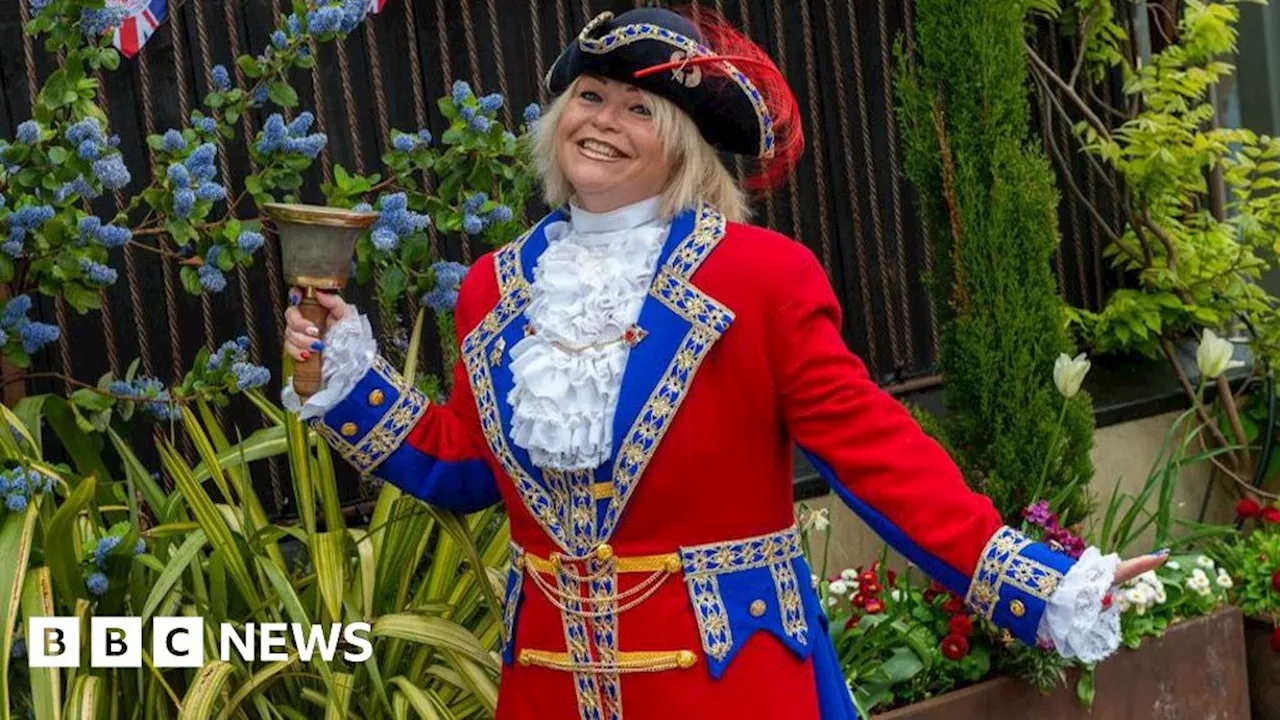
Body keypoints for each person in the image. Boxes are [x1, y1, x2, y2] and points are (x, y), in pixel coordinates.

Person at [281, 8, 1165, 719]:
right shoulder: (494, 287)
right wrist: (344, 382)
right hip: (546, 689)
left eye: (640, 111)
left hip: (726, 686)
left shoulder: (760, 277)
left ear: (685, 148)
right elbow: (468, 466)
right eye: (590, 97)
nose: (604, 123)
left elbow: (875, 454)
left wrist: (1034, 581)